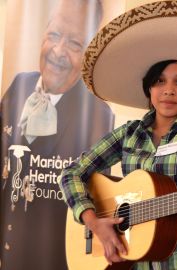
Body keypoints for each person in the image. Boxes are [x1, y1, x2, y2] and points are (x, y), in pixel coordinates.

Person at [58, 1, 177, 269]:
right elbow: (71, 174)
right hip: (130, 259)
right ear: (149, 88)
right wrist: (93, 221)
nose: (169, 90)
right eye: (160, 81)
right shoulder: (129, 134)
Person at [0, 1, 113, 269]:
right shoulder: (19, 85)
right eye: (54, 35)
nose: (58, 51)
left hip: (55, 259)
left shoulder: (98, 115)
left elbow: (97, 199)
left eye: (75, 44)